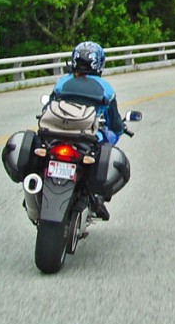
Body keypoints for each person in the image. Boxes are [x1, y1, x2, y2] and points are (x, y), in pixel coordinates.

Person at [50, 40, 124, 220]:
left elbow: (48, 109)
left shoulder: (62, 82)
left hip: (56, 133)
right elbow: (114, 123)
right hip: (87, 137)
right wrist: (119, 130)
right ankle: (96, 199)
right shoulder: (105, 88)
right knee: (105, 146)